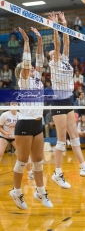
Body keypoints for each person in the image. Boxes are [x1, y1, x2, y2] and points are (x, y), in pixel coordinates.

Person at [48, 11, 85, 189]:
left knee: (75, 136)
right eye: (53, 51)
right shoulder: (54, 62)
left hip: (68, 100)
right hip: (57, 102)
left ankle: (83, 167)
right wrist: (55, 26)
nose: (56, 50)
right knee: (62, 140)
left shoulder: (63, 59)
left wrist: (64, 23)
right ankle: (57, 173)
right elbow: (57, 42)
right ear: (50, 56)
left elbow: (66, 42)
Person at [10, 27, 53, 209]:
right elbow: (27, 63)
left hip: (38, 124)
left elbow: (40, 58)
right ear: (23, 71)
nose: (34, 67)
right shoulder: (24, 80)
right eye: (29, 67)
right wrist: (26, 43)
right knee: (22, 161)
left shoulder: (37, 79)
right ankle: (17, 192)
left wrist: (38, 39)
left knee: (38, 161)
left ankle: (40, 192)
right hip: (24, 124)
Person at [0, 102, 33, 179]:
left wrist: (17, 125)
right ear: (9, 105)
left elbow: (25, 127)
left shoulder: (20, 115)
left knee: (25, 154)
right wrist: (6, 133)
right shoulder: (4, 115)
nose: (14, 105)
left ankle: (30, 173)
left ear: (18, 105)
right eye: (12, 103)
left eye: (15, 103)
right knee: (0, 153)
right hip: (4, 136)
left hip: (16, 137)